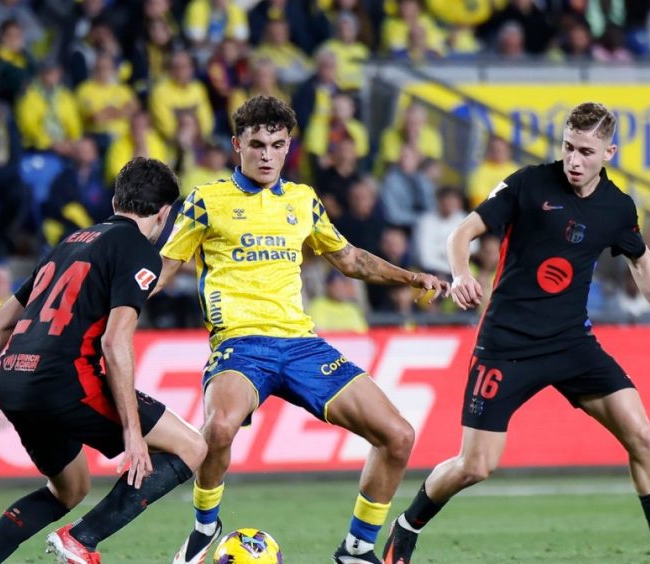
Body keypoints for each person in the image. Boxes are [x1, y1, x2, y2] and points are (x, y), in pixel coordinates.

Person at [383, 102, 650, 564]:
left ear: (608, 152)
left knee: (642, 435)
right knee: (475, 465)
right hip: (506, 345)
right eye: (568, 148)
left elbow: (641, 260)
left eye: (586, 151)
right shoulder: (528, 182)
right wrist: (459, 275)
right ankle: (406, 526)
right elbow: (462, 233)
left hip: (572, 343)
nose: (574, 161)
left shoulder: (617, 208)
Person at [158, 95, 448, 564]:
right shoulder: (206, 201)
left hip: (302, 345)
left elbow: (349, 259)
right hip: (239, 343)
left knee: (398, 435)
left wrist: (411, 276)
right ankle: (204, 528)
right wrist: (114, 301)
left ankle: (356, 548)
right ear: (237, 145)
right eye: (257, 145)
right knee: (220, 426)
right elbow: (165, 267)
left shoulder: (302, 200)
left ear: (288, 145)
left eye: (277, 144)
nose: (267, 155)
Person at [0, 157, 207, 564]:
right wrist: (132, 431)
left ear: (115, 199)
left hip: (14, 383)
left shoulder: (73, 241)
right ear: (164, 214)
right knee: (193, 447)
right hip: (64, 381)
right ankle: (81, 539)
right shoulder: (140, 251)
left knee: (69, 490)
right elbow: (114, 341)